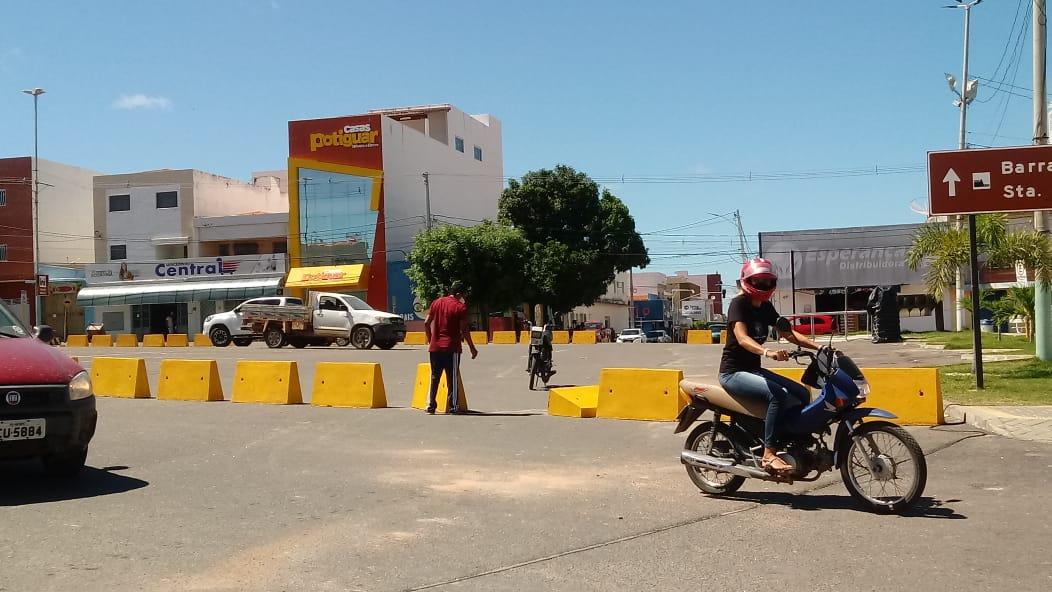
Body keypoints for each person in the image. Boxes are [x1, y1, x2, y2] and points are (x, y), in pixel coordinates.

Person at [718, 258, 819, 475]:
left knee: (802, 393)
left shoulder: (765, 306)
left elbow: (788, 333)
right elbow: (742, 338)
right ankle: (769, 453)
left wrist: (819, 347)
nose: (763, 287)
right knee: (778, 395)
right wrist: (768, 352)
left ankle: (792, 440)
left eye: (767, 282)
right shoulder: (739, 304)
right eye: (758, 281)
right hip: (733, 372)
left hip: (753, 370)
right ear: (747, 281)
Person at [424, 282, 478, 414]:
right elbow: (464, 329)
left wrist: (431, 339)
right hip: (451, 348)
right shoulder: (460, 307)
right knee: (452, 377)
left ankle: (431, 406)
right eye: (464, 294)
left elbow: (426, 323)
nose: (465, 296)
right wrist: (472, 347)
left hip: (435, 348)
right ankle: (453, 406)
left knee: (434, 377)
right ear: (459, 293)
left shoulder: (436, 302)